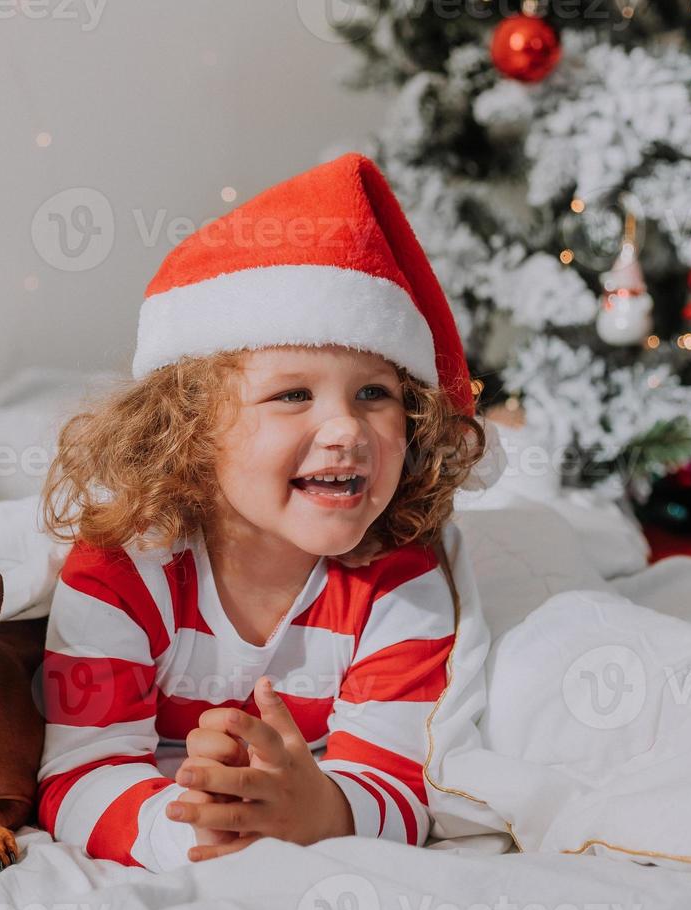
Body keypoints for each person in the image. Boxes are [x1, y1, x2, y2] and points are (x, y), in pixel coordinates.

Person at [37, 153, 487, 871]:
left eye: (374, 393)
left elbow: (398, 784)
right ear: (189, 431)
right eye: (292, 395)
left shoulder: (400, 581)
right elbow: (77, 774)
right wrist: (197, 827)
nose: (345, 430)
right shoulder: (122, 572)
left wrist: (321, 813)